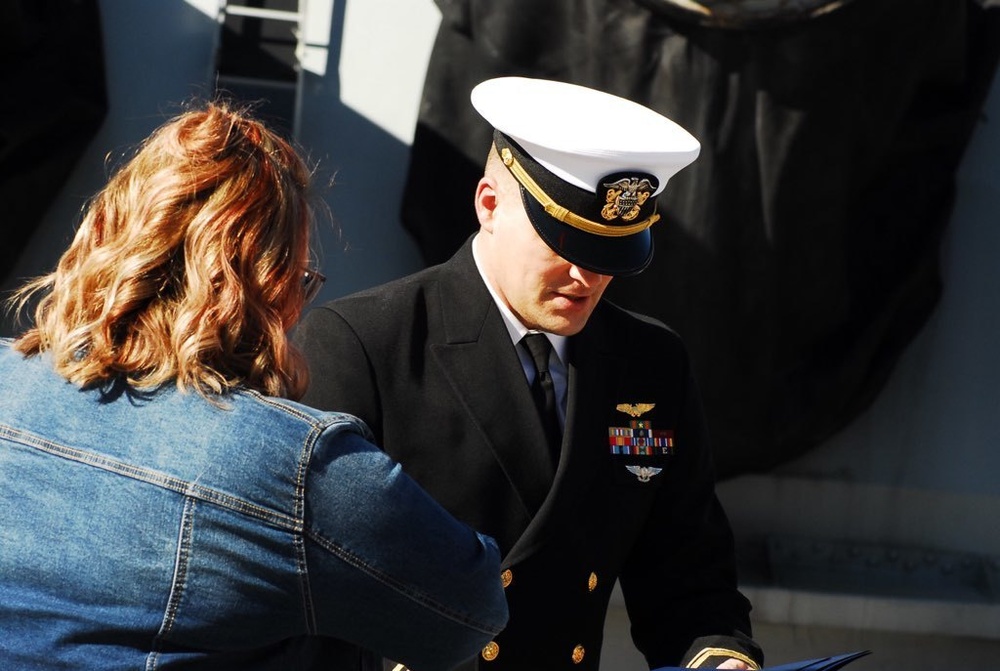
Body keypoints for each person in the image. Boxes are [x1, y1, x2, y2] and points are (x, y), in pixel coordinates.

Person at [0, 101, 507, 671]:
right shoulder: (295, 463)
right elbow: (469, 614)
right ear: (270, 287)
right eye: (302, 282)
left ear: (102, 235)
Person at [294, 77, 764, 670]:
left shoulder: (651, 365)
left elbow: (689, 577)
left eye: (607, 252)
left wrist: (722, 660)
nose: (586, 275)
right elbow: (306, 586)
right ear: (489, 205)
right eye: (564, 242)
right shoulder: (362, 344)